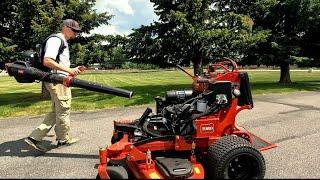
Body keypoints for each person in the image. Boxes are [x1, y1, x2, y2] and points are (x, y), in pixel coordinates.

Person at [24, 19, 83, 152]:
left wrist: (72, 69)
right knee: (64, 109)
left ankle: (60, 138)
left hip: (58, 79)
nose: (76, 34)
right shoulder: (57, 39)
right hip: (58, 81)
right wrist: (69, 71)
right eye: (74, 31)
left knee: (57, 110)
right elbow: (47, 61)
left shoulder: (61, 41)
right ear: (65, 28)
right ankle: (38, 138)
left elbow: (57, 63)